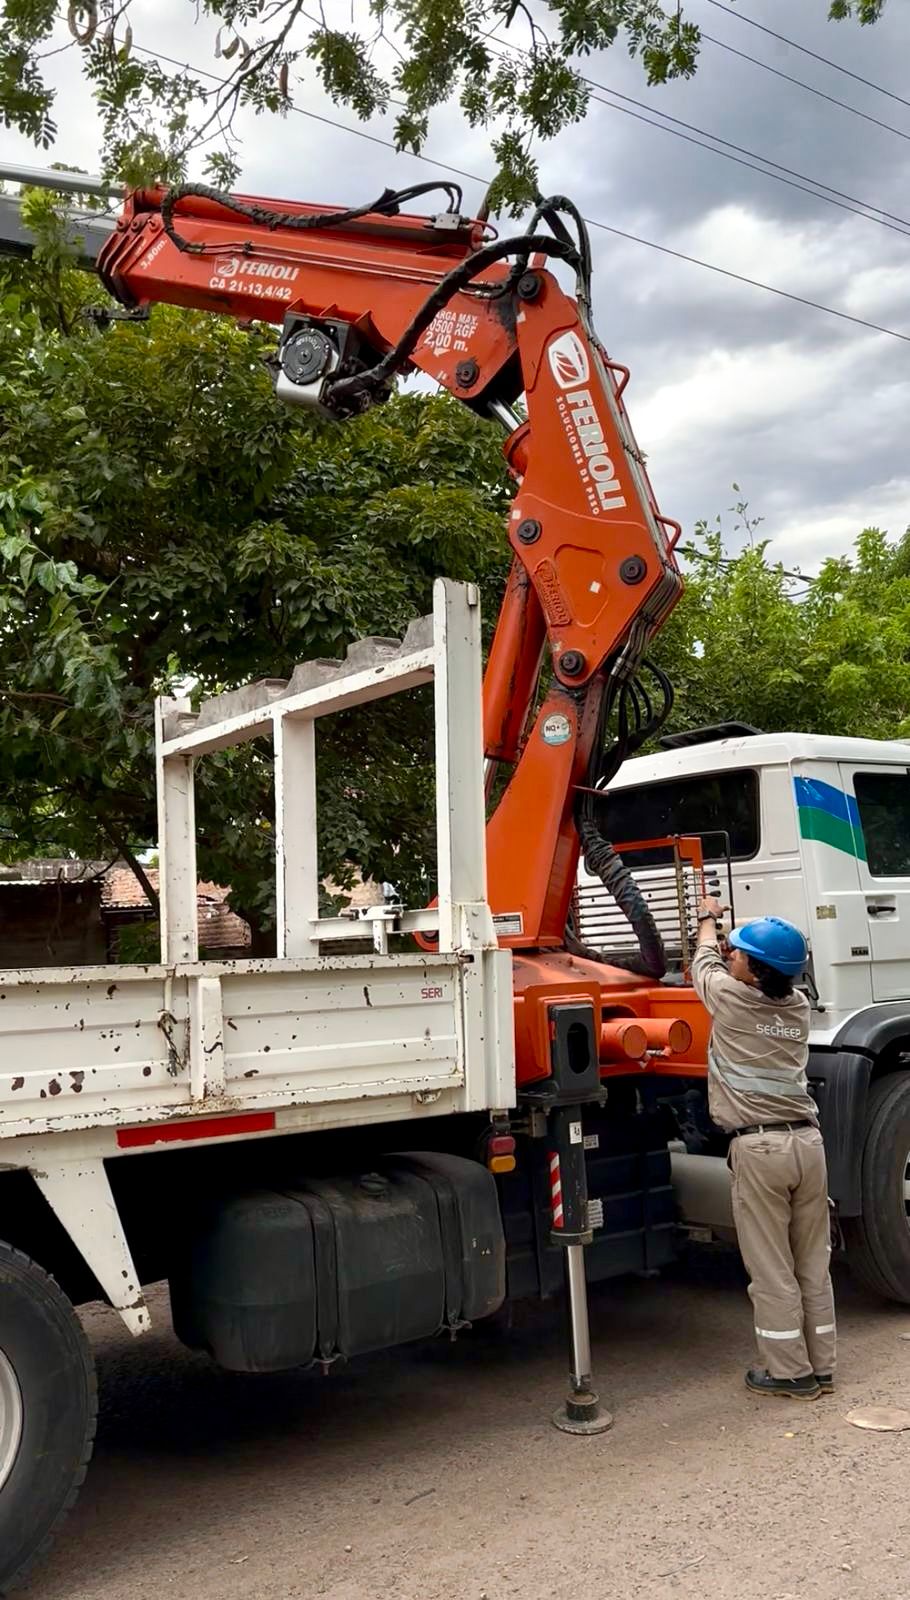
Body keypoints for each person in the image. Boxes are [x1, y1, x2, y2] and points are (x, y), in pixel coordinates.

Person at [691, 896, 836, 1402]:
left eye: (739, 953)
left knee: (772, 1266)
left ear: (755, 970)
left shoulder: (730, 999)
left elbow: (703, 961)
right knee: (812, 1262)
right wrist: (738, 941)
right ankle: (822, 1366)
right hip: (807, 1143)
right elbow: (734, 965)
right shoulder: (797, 1007)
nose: (730, 954)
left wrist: (708, 917)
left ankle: (790, 1373)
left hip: (761, 1149)